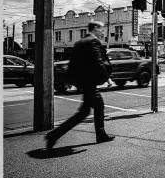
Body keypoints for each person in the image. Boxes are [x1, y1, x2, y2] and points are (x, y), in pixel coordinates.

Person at [45, 21, 115, 151]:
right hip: (90, 82)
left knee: (84, 112)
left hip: (83, 82)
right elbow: (98, 62)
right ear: (95, 28)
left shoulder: (79, 42)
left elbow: (73, 65)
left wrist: (72, 81)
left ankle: (54, 136)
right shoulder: (93, 42)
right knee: (96, 107)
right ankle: (54, 135)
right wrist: (107, 78)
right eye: (102, 29)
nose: (103, 32)